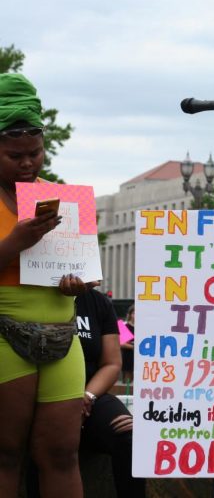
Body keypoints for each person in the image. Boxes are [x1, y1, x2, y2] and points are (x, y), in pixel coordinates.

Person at [0, 73, 87, 496]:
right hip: (4, 331)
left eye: (35, 152)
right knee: (6, 453)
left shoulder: (60, 198)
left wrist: (76, 283)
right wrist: (15, 242)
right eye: (14, 154)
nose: (28, 163)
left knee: (62, 451)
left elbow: (82, 272)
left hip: (61, 333)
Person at [26, 284, 145, 497]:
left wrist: (87, 397)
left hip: (91, 395)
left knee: (130, 437)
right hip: (41, 397)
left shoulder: (98, 302)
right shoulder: (27, 295)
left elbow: (111, 363)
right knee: (39, 446)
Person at [120, 304, 134, 385]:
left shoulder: (143, 326)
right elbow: (121, 343)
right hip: (127, 356)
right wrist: (133, 346)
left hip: (140, 357)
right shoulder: (124, 325)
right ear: (130, 314)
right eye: (134, 313)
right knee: (128, 380)